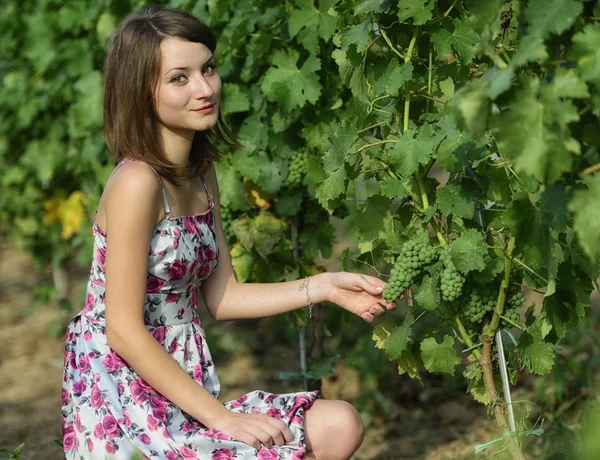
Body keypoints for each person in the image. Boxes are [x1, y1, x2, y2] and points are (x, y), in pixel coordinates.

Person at [61, 6, 396, 460]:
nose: (204, 89)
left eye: (208, 69)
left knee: (337, 423)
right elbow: (121, 329)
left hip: (185, 385)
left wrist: (323, 286)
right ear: (141, 91)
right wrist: (223, 418)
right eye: (180, 78)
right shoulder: (136, 183)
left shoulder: (201, 174)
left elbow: (223, 296)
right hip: (124, 398)